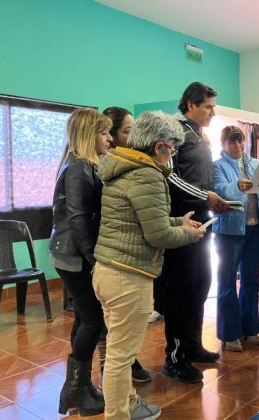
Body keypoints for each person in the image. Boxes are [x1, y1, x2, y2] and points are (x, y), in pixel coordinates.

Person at [92, 111, 205, 420]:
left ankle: (127, 405)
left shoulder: (123, 167)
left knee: (117, 353)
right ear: (159, 147)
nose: (173, 155)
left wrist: (178, 221)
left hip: (107, 271)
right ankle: (118, 415)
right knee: (120, 357)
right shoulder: (148, 174)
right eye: (172, 148)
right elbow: (158, 235)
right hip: (129, 276)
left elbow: (140, 218)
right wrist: (189, 233)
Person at [159, 82, 229, 384]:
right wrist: (205, 197)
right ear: (190, 104)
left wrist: (218, 197)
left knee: (201, 285)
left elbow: (205, 179)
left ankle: (192, 345)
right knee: (180, 292)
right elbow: (168, 175)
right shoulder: (174, 131)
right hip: (180, 222)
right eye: (208, 106)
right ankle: (175, 358)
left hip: (203, 220)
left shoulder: (200, 135)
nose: (213, 112)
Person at [50, 108, 111, 416]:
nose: (110, 138)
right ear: (89, 135)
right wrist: (93, 257)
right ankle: (74, 390)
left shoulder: (84, 164)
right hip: (74, 254)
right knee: (93, 319)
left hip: (73, 252)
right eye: (104, 133)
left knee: (84, 317)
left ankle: (80, 385)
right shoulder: (78, 167)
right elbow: (77, 218)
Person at [213, 126, 259, 351]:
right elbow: (220, 191)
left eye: (240, 142)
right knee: (227, 282)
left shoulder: (254, 163)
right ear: (223, 144)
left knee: (251, 281)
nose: (238, 146)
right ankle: (230, 334)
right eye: (232, 142)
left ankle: (250, 330)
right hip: (229, 231)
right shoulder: (218, 166)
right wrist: (238, 186)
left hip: (254, 229)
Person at [100, 106, 152, 384]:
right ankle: (111, 379)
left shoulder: (127, 166)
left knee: (116, 328)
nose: (132, 138)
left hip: (110, 254)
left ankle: (121, 370)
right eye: (127, 131)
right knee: (102, 326)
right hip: (108, 258)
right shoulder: (108, 168)